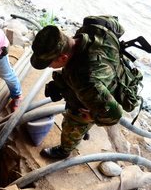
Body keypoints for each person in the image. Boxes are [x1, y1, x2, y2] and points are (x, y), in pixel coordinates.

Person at [30, 16, 129, 159]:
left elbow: (114, 114)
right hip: (111, 69)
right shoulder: (93, 25)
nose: (50, 67)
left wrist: (94, 116)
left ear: (63, 58)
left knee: (75, 121)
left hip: (106, 88)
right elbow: (118, 27)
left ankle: (64, 150)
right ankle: (85, 128)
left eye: (49, 63)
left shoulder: (86, 81)